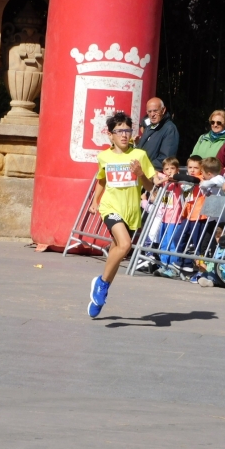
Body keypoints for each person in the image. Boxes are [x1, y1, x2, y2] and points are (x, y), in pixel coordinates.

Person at [88, 112, 156, 318]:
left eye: (127, 130)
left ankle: (102, 287)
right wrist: (95, 201)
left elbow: (150, 186)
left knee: (118, 252)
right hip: (110, 207)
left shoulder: (140, 156)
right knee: (125, 245)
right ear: (111, 135)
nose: (124, 135)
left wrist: (140, 174)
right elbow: (102, 179)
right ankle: (101, 283)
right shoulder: (104, 156)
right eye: (119, 131)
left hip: (131, 211)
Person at [154, 157, 187, 278]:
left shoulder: (178, 181)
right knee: (163, 242)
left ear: (177, 170)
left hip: (175, 218)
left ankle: (173, 266)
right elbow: (155, 178)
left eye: (172, 168)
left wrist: (172, 178)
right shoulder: (164, 180)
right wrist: (162, 178)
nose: (169, 171)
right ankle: (163, 265)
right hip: (164, 217)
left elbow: (184, 184)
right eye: (166, 169)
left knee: (172, 243)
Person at [135, 97, 179, 169]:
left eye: (155, 111)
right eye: (149, 111)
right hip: (142, 172)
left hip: (154, 174)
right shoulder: (149, 127)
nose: (152, 114)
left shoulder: (169, 129)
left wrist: (146, 167)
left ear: (163, 110)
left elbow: (166, 159)